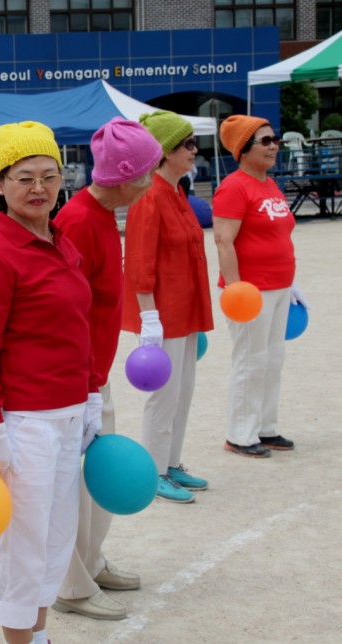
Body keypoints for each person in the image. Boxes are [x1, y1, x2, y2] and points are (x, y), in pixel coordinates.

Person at [0, 121, 92, 644]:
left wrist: (89, 393)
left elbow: (78, 326)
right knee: (24, 545)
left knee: (56, 538)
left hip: (69, 415)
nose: (39, 188)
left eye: (49, 176)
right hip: (26, 423)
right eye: (24, 177)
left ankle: (38, 635)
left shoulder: (61, 241)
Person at [51, 117, 163, 621]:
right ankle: (70, 582)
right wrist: (86, 384)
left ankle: (91, 561)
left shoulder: (103, 216)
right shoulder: (78, 221)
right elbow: (66, 311)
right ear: (124, 176)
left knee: (96, 479)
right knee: (75, 485)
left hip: (95, 372)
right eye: (146, 174)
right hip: (77, 376)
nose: (150, 183)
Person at [123, 111, 215, 503]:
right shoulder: (149, 196)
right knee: (163, 396)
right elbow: (140, 262)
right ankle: (154, 469)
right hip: (165, 313)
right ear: (164, 152)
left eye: (194, 143)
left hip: (186, 310)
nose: (195, 150)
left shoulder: (177, 192)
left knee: (183, 392)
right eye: (187, 144)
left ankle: (171, 461)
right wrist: (149, 318)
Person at [212, 115, 308, 457]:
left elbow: (277, 236)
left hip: (279, 287)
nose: (274, 146)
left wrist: (290, 282)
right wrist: (235, 289)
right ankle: (240, 434)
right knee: (251, 360)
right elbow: (223, 240)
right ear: (243, 149)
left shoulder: (269, 185)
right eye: (265, 141)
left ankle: (266, 427)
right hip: (250, 291)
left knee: (272, 359)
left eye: (275, 139)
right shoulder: (234, 187)